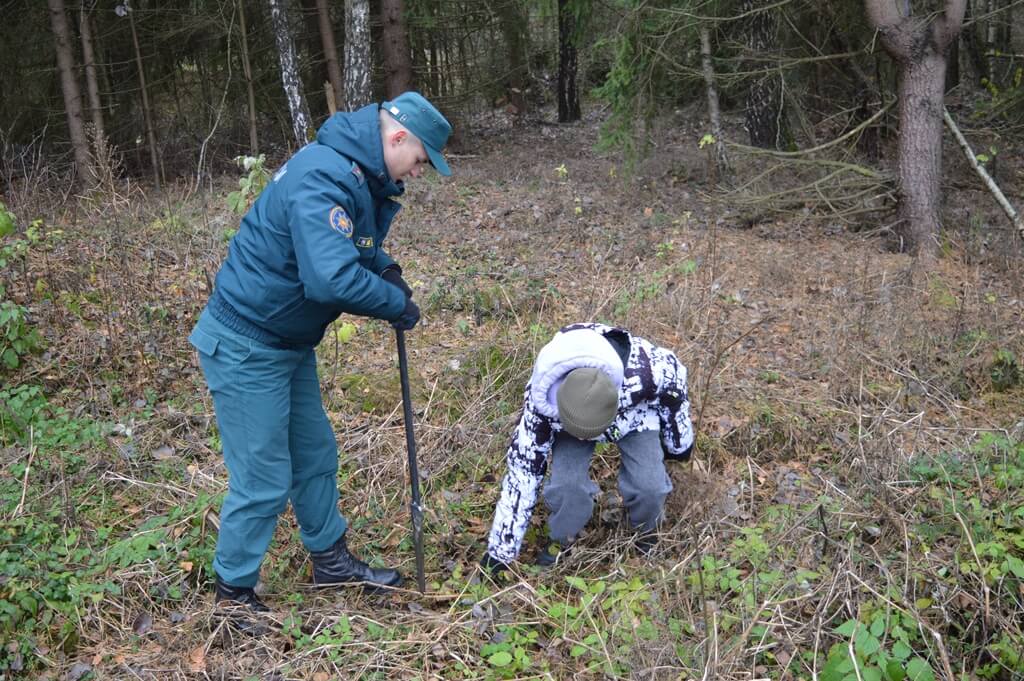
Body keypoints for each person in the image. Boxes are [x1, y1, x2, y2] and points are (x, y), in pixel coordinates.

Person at [188, 92, 452, 611]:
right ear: (397, 138)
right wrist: (390, 303)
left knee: (314, 455)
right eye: (421, 160)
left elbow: (351, 246)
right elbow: (329, 278)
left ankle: (329, 561)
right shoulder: (323, 176)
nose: (419, 173)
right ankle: (233, 592)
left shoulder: (355, 174)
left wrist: (385, 270)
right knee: (263, 478)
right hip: (245, 346)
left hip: (286, 343)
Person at [480, 322, 695, 572]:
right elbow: (522, 474)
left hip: (635, 415)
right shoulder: (541, 404)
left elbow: (675, 401)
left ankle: (645, 535)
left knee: (650, 486)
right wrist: (501, 553)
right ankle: (561, 539)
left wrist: (679, 445)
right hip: (566, 423)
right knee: (566, 486)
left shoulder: (650, 370)